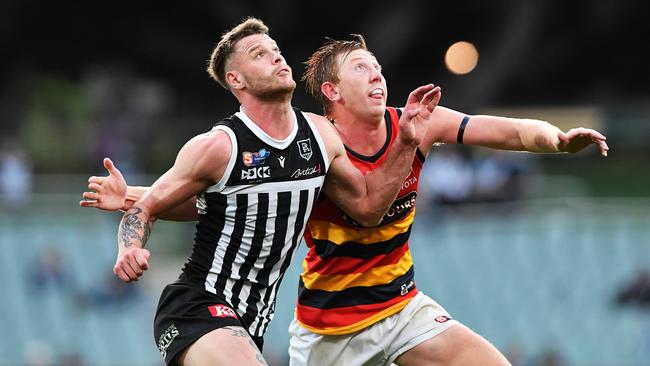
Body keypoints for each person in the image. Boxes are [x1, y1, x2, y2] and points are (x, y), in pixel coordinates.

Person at [82, 34, 609, 365]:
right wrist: (134, 208)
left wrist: (556, 139)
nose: (377, 73)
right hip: (325, 326)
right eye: (361, 67)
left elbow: (508, 132)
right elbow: (208, 199)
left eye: (377, 66)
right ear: (332, 92)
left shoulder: (387, 129)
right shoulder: (268, 144)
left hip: (400, 305)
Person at [80, 18, 440, 366]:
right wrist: (129, 248)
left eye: (276, 50)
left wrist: (407, 141)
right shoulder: (218, 147)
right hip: (196, 306)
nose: (277, 57)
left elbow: (368, 208)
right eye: (259, 54)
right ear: (236, 80)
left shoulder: (319, 136)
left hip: (251, 324)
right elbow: (147, 207)